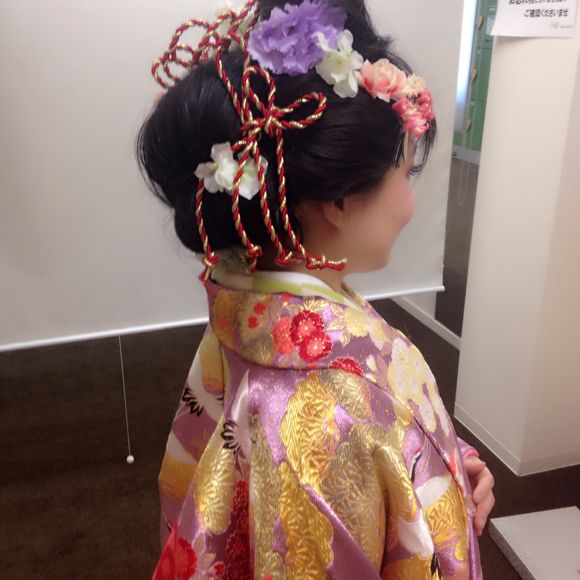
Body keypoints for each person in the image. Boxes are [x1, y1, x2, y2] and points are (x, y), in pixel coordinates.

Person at [136, 0, 495, 577]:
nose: (410, 205)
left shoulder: (255, 304)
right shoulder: (323, 415)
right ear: (339, 200)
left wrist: (447, 466)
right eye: (405, 174)